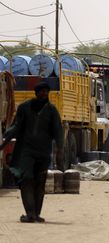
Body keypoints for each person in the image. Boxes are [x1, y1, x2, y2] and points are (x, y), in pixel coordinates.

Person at [0, 82, 63, 223]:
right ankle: (30, 213)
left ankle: (36, 214)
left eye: (46, 92)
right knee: (26, 179)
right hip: (26, 151)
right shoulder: (24, 108)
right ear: (36, 93)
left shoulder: (52, 111)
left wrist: (60, 150)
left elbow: (58, 131)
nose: (44, 94)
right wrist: (3, 144)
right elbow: (16, 127)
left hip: (43, 151)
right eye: (41, 92)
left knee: (40, 182)